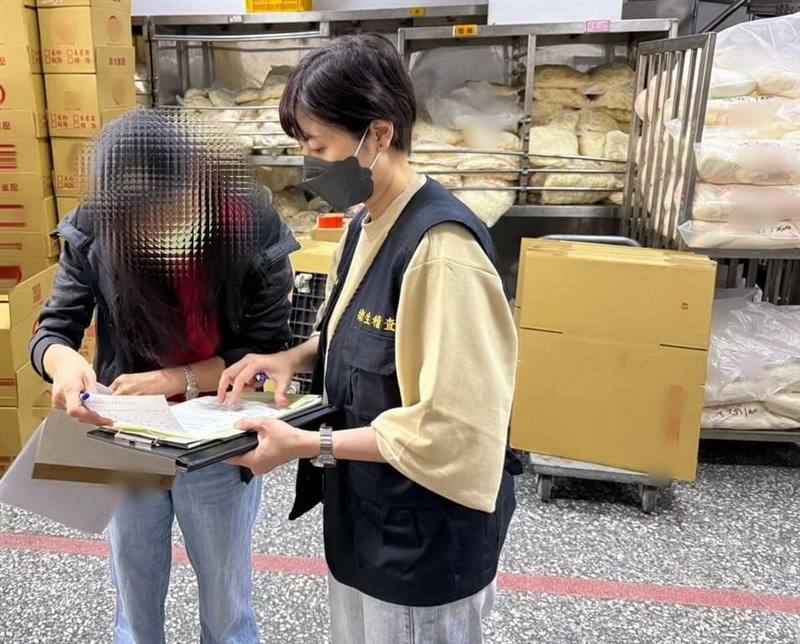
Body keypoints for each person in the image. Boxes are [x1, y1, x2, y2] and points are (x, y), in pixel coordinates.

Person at [218, 34, 520, 644]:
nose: (310, 166)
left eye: (320, 145)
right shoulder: (368, 223)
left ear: (379, 134)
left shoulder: (441, 252)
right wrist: (290, 358)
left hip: (424, 540)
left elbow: (454, 429)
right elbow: (354, 326)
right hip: (370, 516)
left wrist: (304, 444)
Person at [30, 109, 299, 644]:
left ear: (197, 183)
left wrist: (174, 379)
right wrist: (64, 364)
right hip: (128, 434)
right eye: (137, 220)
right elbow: (53, 329)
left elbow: (267, 352)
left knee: (227, 607)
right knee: (134, 597)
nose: (153, 230)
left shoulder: (251, 228)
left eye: (168, 211)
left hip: (220, 437)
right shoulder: (97, 227)